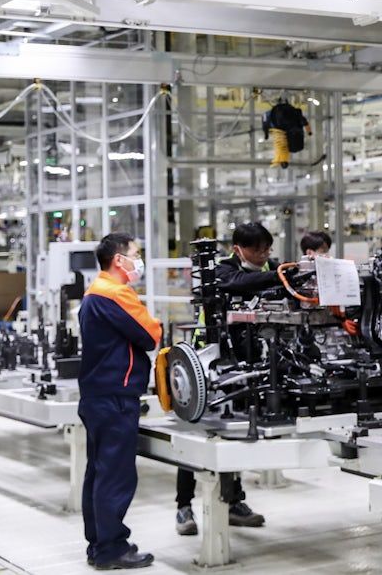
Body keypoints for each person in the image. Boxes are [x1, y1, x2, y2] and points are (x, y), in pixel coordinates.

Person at [175, 222, 273, 536]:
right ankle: (183, 506)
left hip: (246, 360)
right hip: (210, 361)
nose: (263, 255)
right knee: (197, 435)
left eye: (266, 249)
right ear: (238, 248)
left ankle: (233, 502)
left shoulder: (268, 267)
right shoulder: (221, 270)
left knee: (233, 433)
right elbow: (238, 284)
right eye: (257, 249)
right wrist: (279, 276)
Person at [78, 233, 161, 569]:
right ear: (118, 260)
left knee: (99, 472)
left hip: (98, 395)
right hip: (115, 397)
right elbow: (152, 334)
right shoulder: (114, 293)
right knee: (115, 475)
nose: (138, 260)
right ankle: (112, 549)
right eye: (136, 254)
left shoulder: (93, 292)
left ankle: (99, 543)